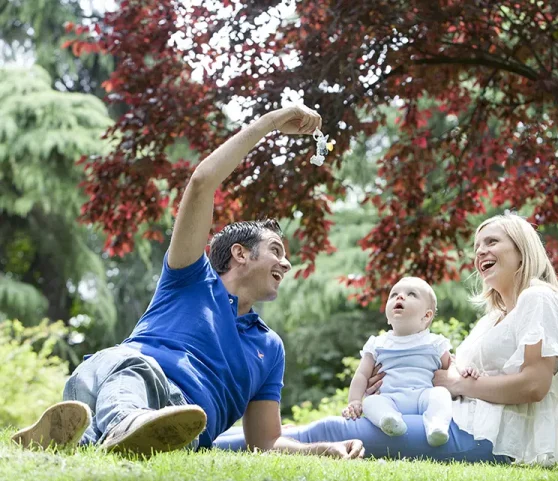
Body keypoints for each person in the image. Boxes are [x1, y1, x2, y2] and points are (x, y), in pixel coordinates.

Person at [11, 105, 364, 459]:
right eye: (275, 250)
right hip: (116, 377)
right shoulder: (189, 278)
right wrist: (270, 123)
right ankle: (124, 424)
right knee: (127, 366)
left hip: (180, 423)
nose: (286, 263)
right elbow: (202, 182)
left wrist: (324, 449)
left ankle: (70, 443)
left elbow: (266, 441)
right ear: (240, 254)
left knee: (113, 398)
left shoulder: (270, 348)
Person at [214, 213, 558, 465]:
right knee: (311, 429)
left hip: (498, 435)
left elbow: (534, 385)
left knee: (332, 431)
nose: (480, 252)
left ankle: (206, 443)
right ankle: (206, 439)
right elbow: (447, 377)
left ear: (522, 249)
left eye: (492, 242)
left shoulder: (538, 298)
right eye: (477, 246)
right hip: (462, 419)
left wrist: (459, 385)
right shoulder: (494, 319)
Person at [343, 277, 453, 446]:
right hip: (389, 398)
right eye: (394, 294)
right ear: (388, 317)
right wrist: (354, 401)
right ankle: (389, 420)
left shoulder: (435, 343)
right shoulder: (377, 344)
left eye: (411, 294)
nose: (400, 297)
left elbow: (452, 369)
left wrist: (466, 370)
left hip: (423, 395)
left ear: (426, 316)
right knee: (370, 402)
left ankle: (437, 426)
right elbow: (362, 375)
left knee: (441, 395)